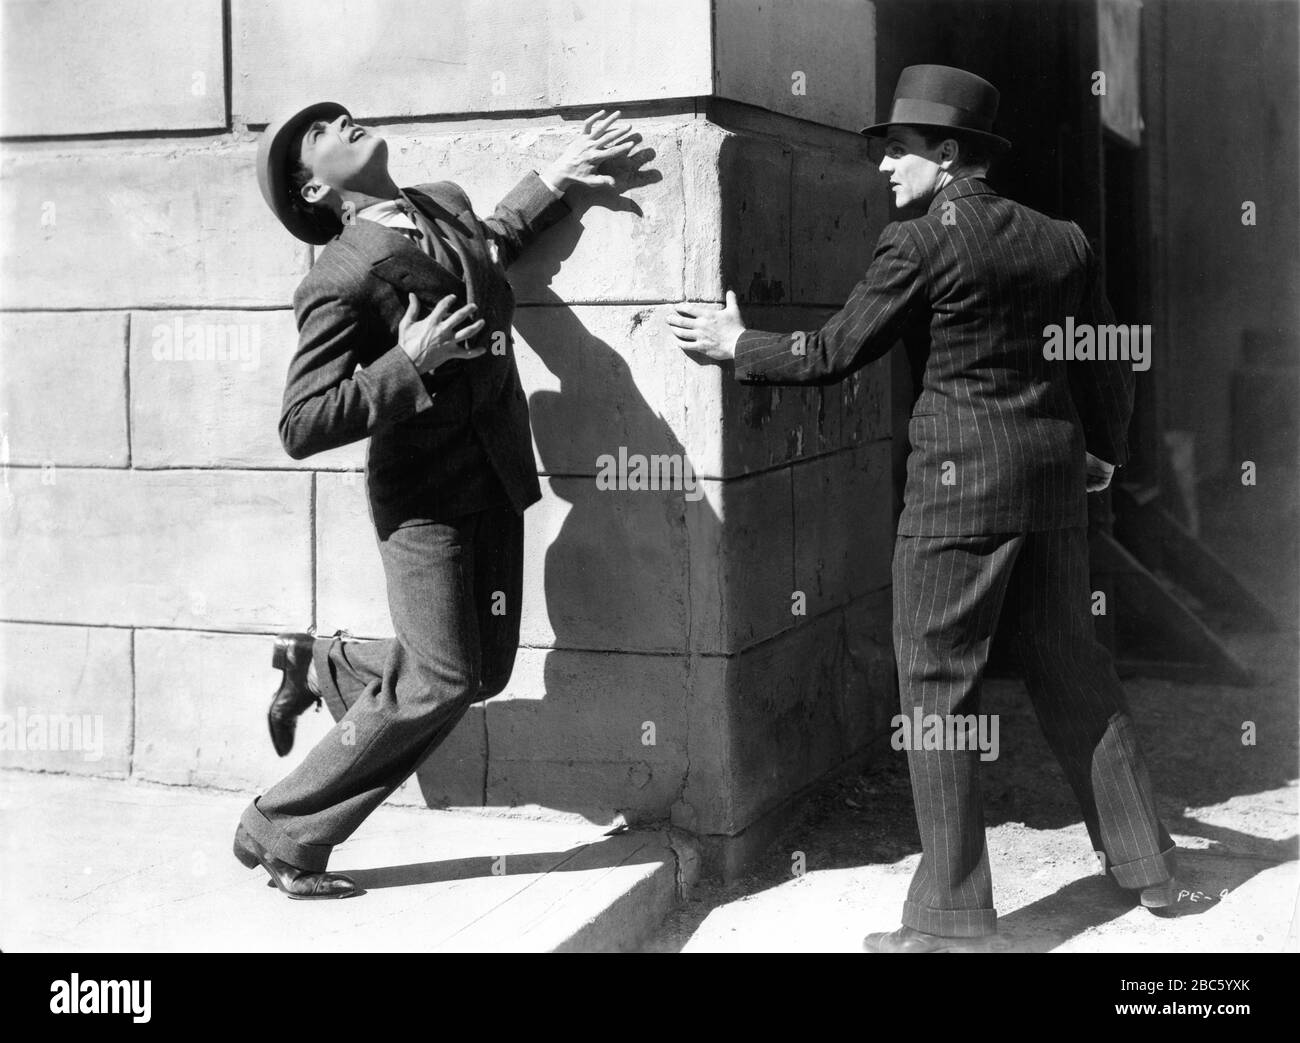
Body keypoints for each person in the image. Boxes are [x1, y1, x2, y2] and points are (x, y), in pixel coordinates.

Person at [668, 65, 1176, 951]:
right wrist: (1102, 451)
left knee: (938, 691)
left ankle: (952, 919)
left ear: (947, 156)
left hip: (957, 494)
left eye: (898, 150)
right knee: (1071, 666)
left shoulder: (918, 243)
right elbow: (1106, 350)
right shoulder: (1064, 239)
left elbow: (834, 350)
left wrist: (732, 342)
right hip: (1052, 482)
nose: (883, 168)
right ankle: (1151, 867)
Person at [237, 102, 634, 899]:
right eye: (319, 135)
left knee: (477, 671)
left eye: (339, 114)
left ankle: (321, 663)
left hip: (493, 471)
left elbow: (482, 250)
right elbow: (301, 421)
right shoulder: (338, 276)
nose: (343, 122)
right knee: (439, 678)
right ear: (315, 193)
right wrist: (407, 362)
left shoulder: (441, 201)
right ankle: (280, 830)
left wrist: (553, 179)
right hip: (421, 497)